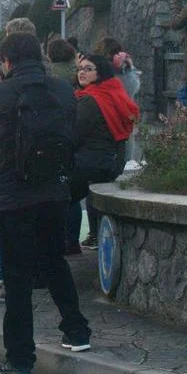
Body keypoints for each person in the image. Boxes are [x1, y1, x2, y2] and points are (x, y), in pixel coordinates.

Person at [0, 32, 92, 374]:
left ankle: (20, 359)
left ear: (7, 61)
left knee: (17, 276)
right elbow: (73, 131)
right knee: (54, 262)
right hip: (55, 192)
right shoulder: (62, 89)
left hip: (11, 196)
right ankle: (77, 332)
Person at [69, 55, 139, 251]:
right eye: (80, 69)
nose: (82, 72)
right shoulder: (113, 90)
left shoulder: (89, 100)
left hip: (92, 163)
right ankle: (93, 236)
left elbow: (75, 134)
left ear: (100, 73)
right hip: (112, 161)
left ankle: (68, 243)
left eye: (88, 69)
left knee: (61, 192)